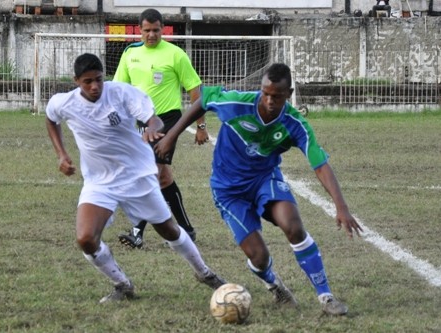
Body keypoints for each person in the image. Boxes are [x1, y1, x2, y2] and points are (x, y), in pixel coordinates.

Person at [154, 63, 363, 315]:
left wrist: (341, 207)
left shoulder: (295, 124)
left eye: (276, 96)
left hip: (265, 179)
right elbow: (204, 98)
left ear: (289, 93)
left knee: (294, 226)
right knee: (259, 256)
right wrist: (171, 136)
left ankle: (326, 297)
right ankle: (274, 285)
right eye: (265, 93)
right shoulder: (238, 103)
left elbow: (320, 164)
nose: (269, 100)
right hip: (228, 191)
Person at [45, 53, 225, 303]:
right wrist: (61, 154)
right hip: (99, 182)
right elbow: (51, 119)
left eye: (98, 79)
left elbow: (154, 118)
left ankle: (205, 273)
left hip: (137, 175)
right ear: (76, 81)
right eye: (87, 81)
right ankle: (122, 284)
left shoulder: (120, 93)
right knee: (85, 238)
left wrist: (152, 128)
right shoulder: (64, 102)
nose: (95, 86)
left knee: (169, 230)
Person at [113, 8, 207, 249]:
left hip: (168, 121)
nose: (151, 35)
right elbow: (119, 90)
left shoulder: (175, 55)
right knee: (163, 178)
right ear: (140, 30)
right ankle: (187, 230)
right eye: (147, 30)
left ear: (162, 29)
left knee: (151, 173)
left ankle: (137, 232)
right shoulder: (130, 53)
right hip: (141, 122)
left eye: (156, 30)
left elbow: (195, 90)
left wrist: (201, 126)